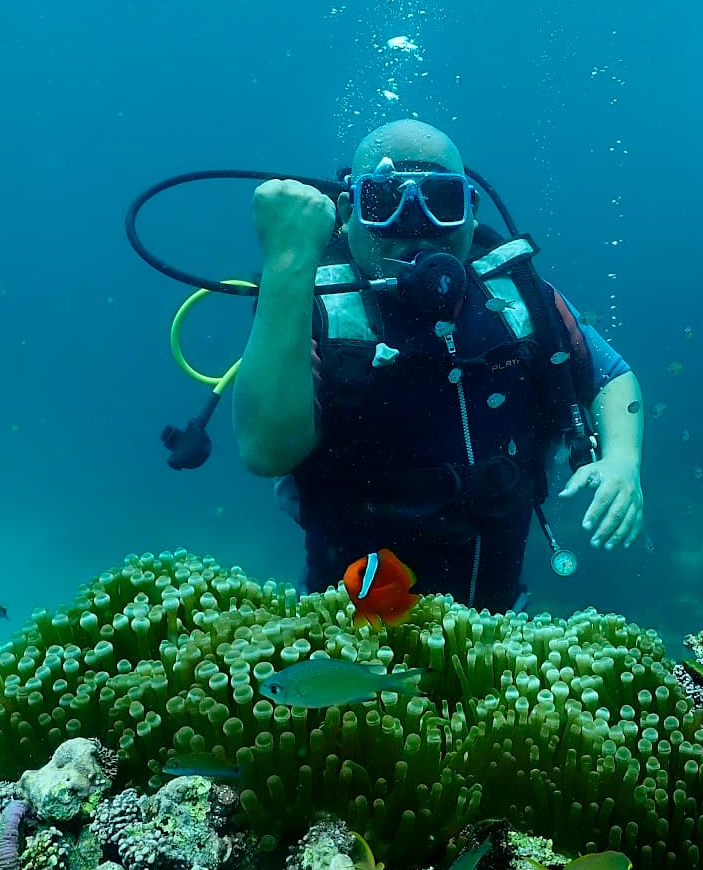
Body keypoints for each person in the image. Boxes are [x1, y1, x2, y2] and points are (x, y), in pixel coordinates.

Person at [233, 119, 645, 612]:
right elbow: (265, 450)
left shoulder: (515, 298)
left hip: (498, 621)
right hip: (348, 630)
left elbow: (610, 375)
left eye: (441, 201)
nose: (417, 224)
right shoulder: (310, 304)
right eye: (385, 204)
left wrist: (624, 461)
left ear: (471, 213)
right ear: (347, 213)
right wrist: (286, 262)